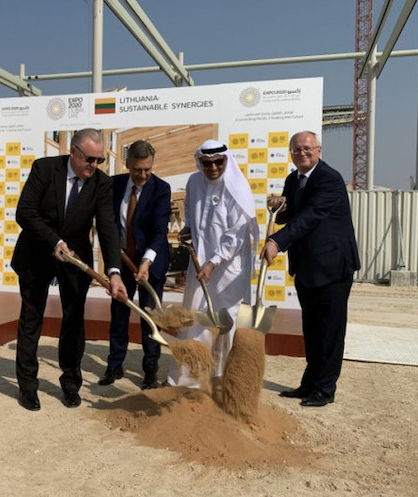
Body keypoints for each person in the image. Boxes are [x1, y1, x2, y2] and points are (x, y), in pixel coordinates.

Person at [11, 128, 127, 411]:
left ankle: (71, 383)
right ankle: (28, 386)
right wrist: (55, 241)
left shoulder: (101, 183)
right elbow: (25, 212)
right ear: (73, 152)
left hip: (77, 260)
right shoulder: (44, 169)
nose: (94, 165)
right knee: (31, 318)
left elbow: (107, 228)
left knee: (74, 321)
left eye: (100, 160)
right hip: (37, 251)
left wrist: (114, 272)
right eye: (90, 159)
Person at [262, 131, 360, 407]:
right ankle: (310, 383)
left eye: (307, 148)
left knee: (330, 330)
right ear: (291, 153)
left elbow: (310, 216)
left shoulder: (329, 179)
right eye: (296, 149)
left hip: (332, 266)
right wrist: (278, 207)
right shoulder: (293, 179)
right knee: (313, 329)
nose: (302, 153)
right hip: (307, 267)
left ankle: (325, 388)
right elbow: (291, 214)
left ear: (318, 150)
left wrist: (276, 242)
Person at [167, 139, 258, 388]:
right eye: (207, 163)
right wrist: (188, 228)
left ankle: (222, 378)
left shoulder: (237, 187)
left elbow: (236, 235)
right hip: (199, 264)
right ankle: (188, 380)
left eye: (218, 162)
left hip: (229, 270)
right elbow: (190, 209)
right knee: (195, 318)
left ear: (226, 160)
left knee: (226, 323)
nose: (213, 168)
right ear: (200, 162)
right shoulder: (194, 182)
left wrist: (213, 262)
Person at [99, 140, 171, 390]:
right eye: (137, 170)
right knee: (119, 315)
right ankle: (114, 365)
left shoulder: (161, 189)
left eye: (147, 169)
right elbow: (107, 225)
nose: (142, 175)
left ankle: (150, 371)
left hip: (151, 264)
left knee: (150, 319)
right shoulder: (114, 185)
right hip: (121, 262)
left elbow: (159, 230)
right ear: (127, 163)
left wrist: (146, 261)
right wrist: (113, 265)